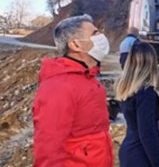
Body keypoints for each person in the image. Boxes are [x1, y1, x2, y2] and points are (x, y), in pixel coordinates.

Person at [32, 14, 113, 166]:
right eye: (95, 34)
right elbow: (49, 146)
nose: (101, 37)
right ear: (75, 45)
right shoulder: (59, 87)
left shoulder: (87, 76)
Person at [115, 42, 159, 167]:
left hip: (128, 151)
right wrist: (158, 163)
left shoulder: (128, 90)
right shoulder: (146, 94)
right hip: (141, 156)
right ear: (152, 63)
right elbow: (147, 133)